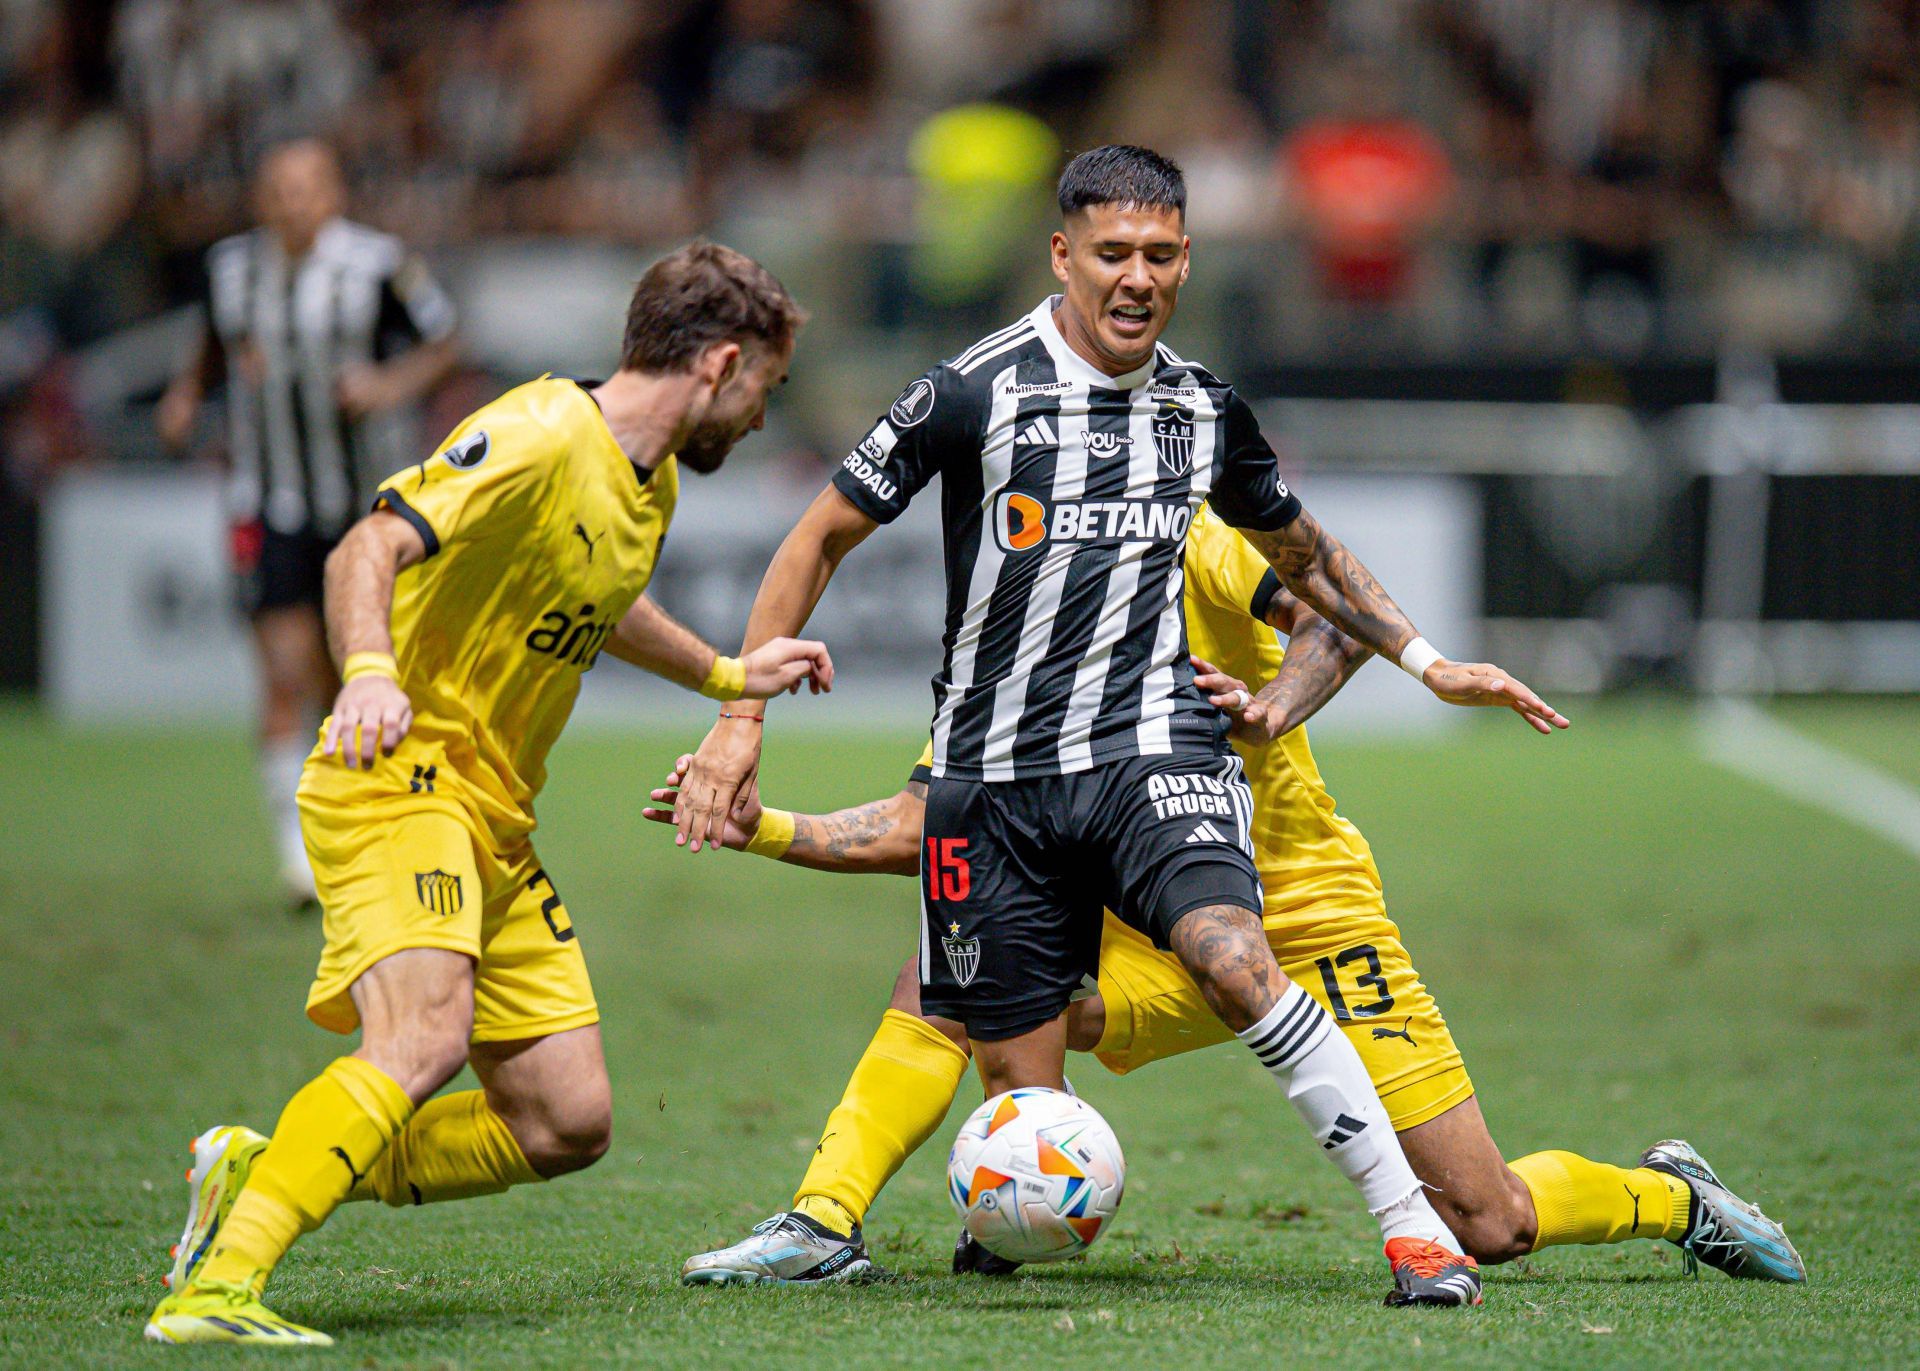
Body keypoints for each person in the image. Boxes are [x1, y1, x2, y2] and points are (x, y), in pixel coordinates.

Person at [673, 145, 1570, 1306]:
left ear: (1186, 260)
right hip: (993, 780)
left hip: (1154, 756)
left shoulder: (1204, 409)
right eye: (1112, 254)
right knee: (1008, 1058)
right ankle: (913, 1226)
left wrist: (1431, 661)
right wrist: (741, 719)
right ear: (1063, 255)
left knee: (1235, 960)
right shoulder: (968, 392)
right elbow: (817, 538)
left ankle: (1414, 1235)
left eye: (1159, 254)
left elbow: (1309, 557)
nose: (1135, 278)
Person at [651, 504, 1804, 1289]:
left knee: (1489, 1220)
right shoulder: (1004, 643)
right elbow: (932, 822)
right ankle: (826, 1222)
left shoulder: (1191, 537)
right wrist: (769, 830)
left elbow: (1334, 622)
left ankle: (1669, 1198)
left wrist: (1269, 707)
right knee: (953, 959)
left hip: (1301, 904)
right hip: (1137, 918)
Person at [144, 242, 834, 1347]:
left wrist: (721, 673)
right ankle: (216, 1288)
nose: (762, 415)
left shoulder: (643, 485)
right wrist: (369, 671)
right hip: (399, 779)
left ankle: (265, 1170)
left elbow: (600, 602)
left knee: (566, 1120)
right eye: (764, 384)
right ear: (717, 364)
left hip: (495, 816)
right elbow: (363, 548)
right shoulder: (541, 430)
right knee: (420, 1046)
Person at [157, 139, 460, 906]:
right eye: (279, 189)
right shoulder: (233, 270)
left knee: (341, 678)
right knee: (282, 671)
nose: (293, 202)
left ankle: (346, 835)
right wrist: (187, 396)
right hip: (268, 497)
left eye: (307, 188)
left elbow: (446, 341)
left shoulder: (379, 265)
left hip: (363, 504)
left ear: (333, 194)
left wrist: (389, 384)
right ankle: (299, 859)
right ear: (262, 197)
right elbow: (212, 346)